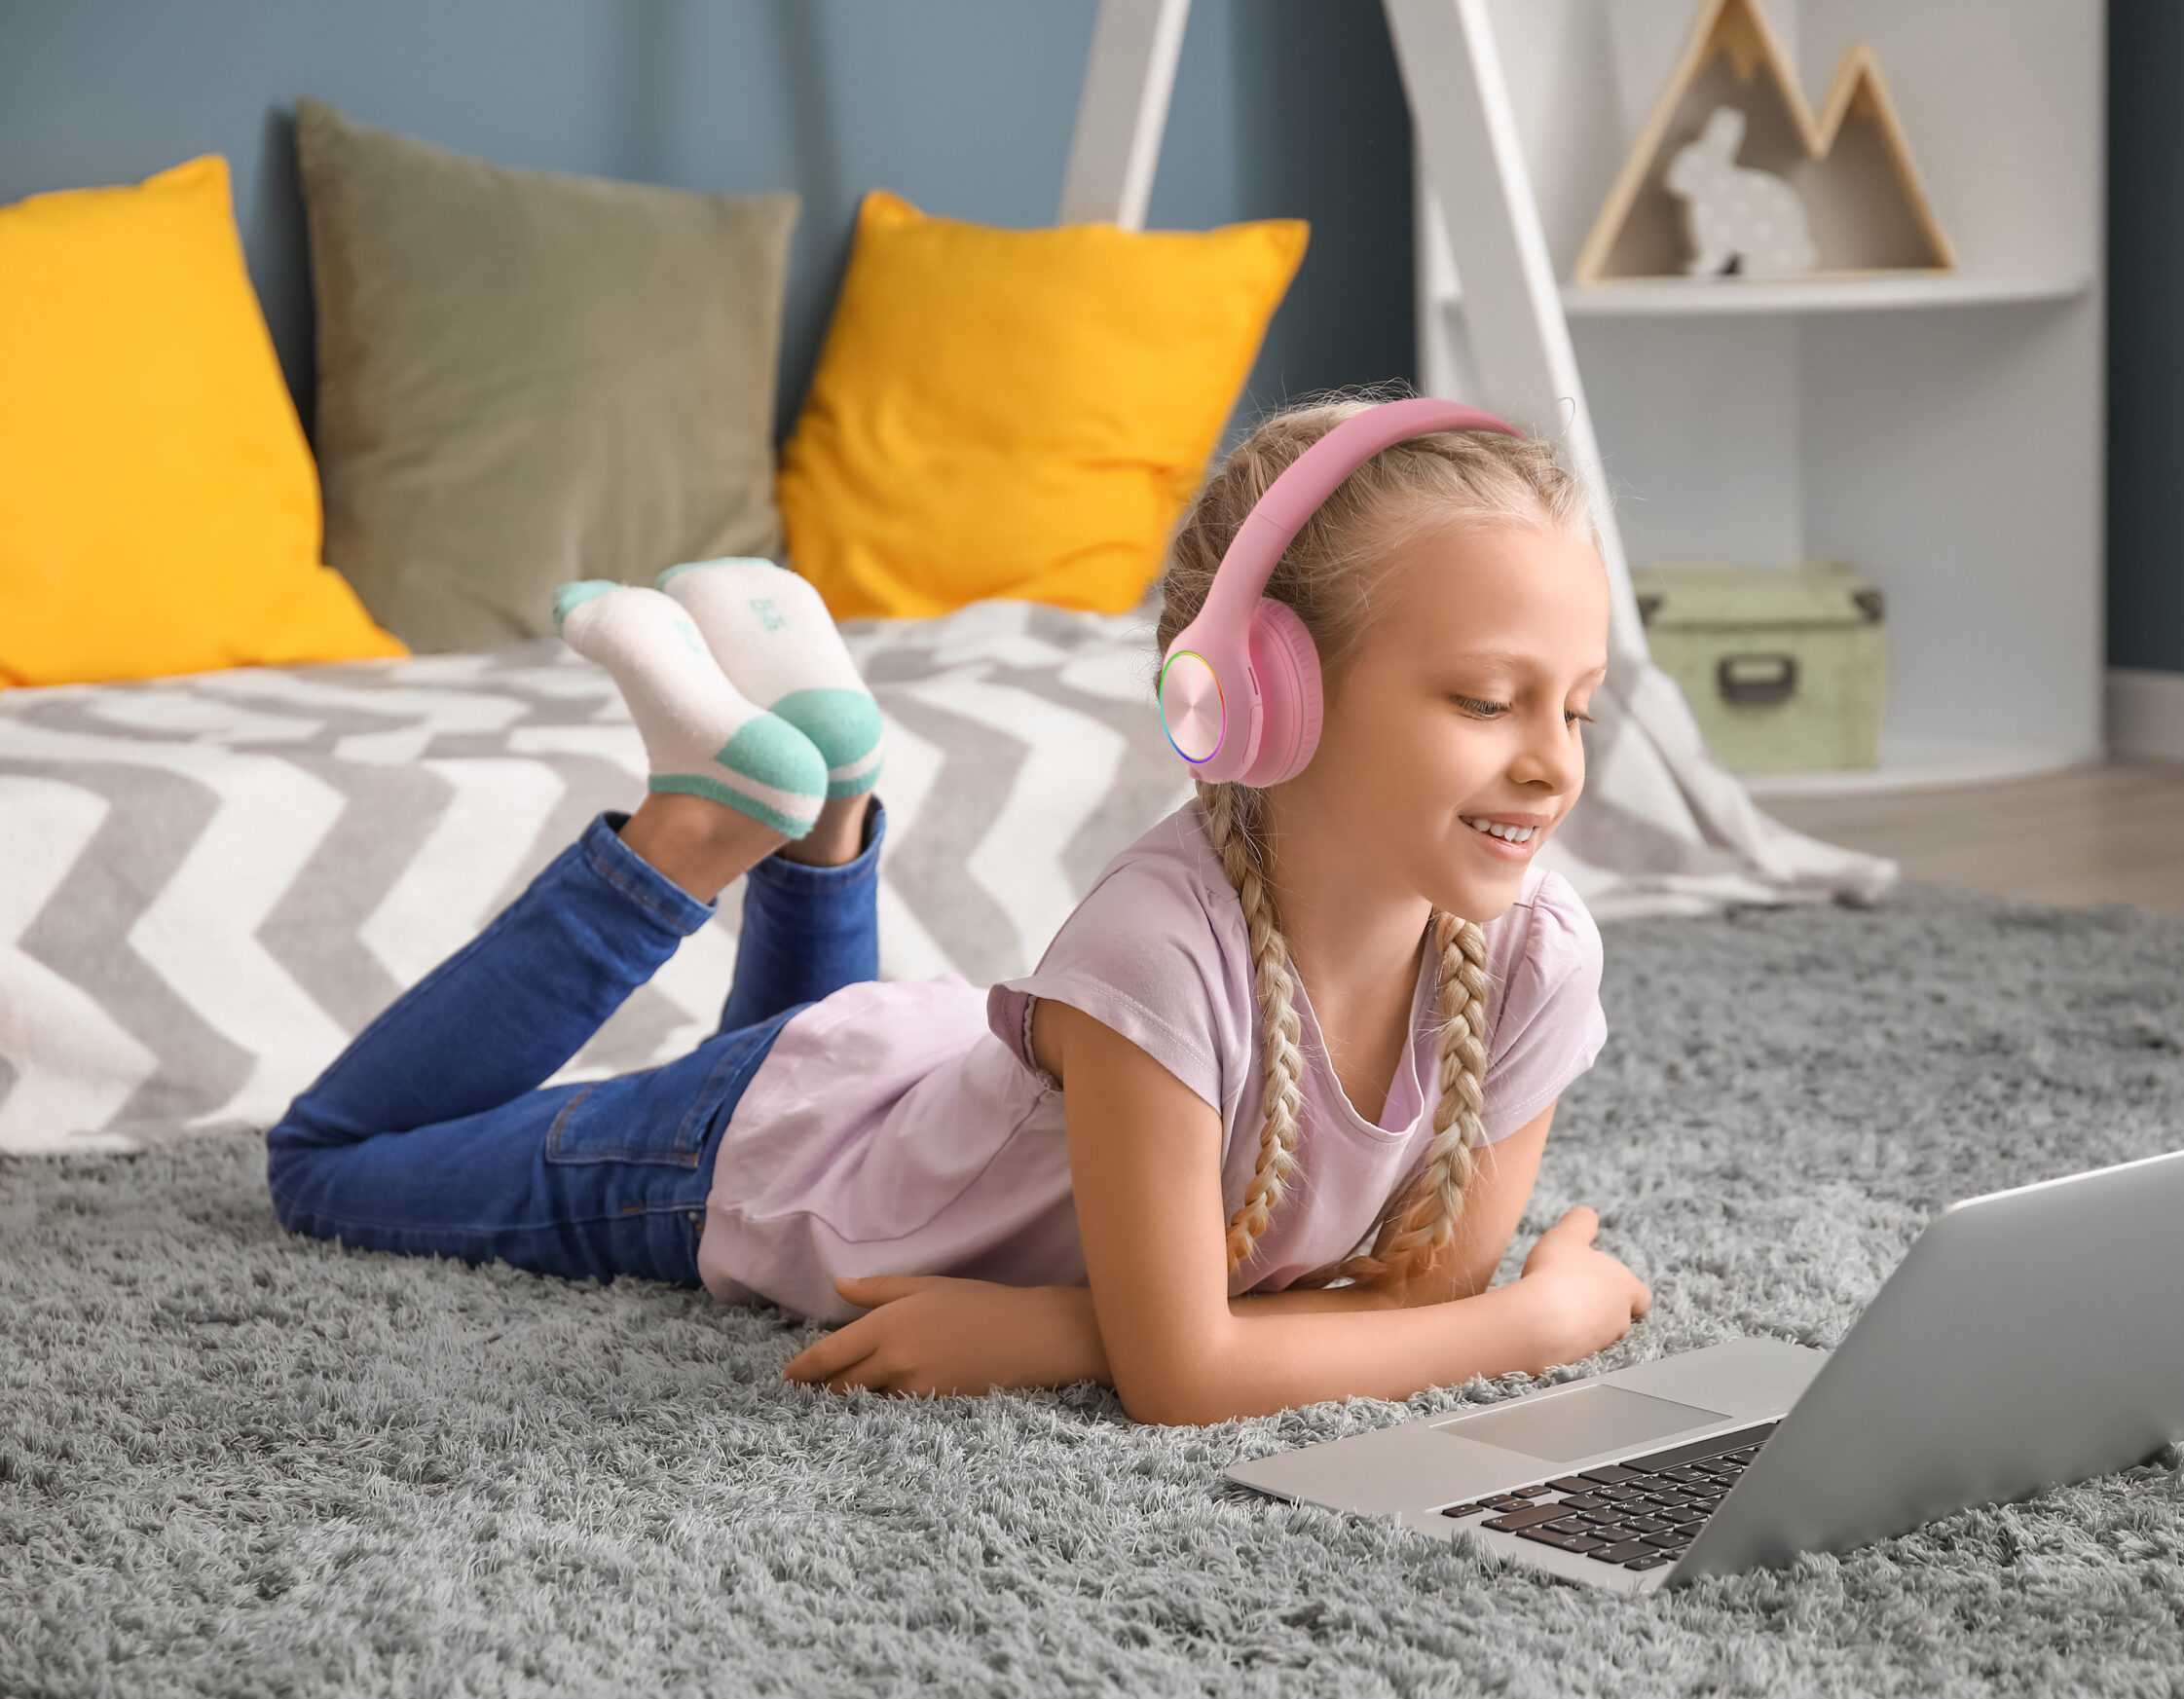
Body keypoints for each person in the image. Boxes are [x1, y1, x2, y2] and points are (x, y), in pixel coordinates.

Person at [266, 399, 1650, 1423]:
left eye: (1577, 706)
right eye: (1485, 698)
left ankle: (824, 808)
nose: (1553, 759)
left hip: (912, 1083)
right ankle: (692, 833)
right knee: (326, 1164)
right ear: (1263, 693)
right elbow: (1196, 1372)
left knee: (823, 1035)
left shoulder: (1535, 956)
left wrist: (1049, 1325)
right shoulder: (1158, 952)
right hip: (763, 1151)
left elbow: (1406, 1298)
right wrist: (1529, 1323)